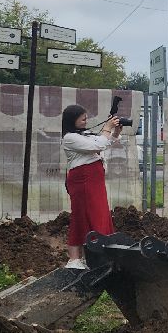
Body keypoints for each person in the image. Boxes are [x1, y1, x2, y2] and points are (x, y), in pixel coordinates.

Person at [61, 103, 121, 269]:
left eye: (86, 118)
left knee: (99, 214)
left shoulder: (84, 134)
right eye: (82, 119)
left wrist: (114, 132)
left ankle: (95, 257)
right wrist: (108, 128)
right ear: (72, 120)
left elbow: (103, 142)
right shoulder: (69, 138)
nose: (85, 122)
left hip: (93, 181)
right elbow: (97, 146)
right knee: (81, 216)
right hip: (83, 181)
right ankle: (74, 259)